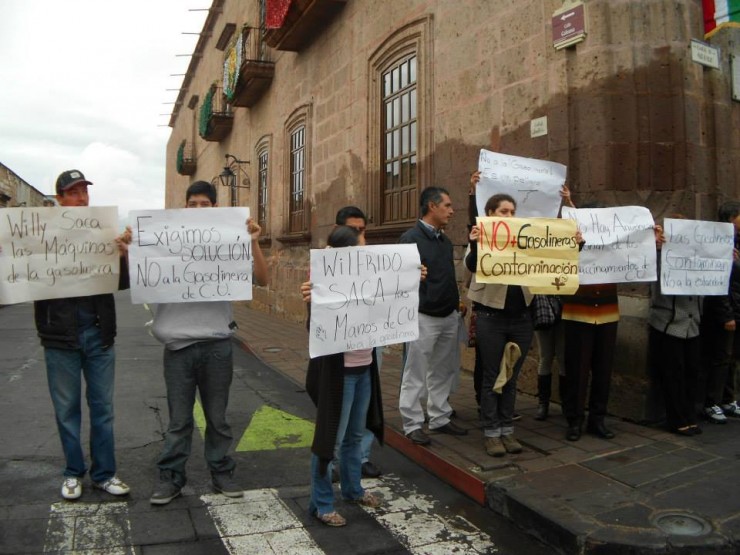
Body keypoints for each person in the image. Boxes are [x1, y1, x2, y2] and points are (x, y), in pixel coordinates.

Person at [149, 181, 269, 505]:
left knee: (218, 418)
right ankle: (171, 477)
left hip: (217, 345)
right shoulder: (162, 242)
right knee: (178, 420)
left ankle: (221, 472)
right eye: (193, 203)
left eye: (205, 203)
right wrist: (132, 249)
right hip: (177, 348)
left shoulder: (229, 241)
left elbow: (262, 278)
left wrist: (254, 242)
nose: (199, 209)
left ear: (215, 208)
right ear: (184, 207)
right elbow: (139, 275)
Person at [34, 169, 131, 500]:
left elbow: (122, 283)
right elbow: (25, 278)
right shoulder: (41, 236)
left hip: (99, 335)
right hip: (59, 340)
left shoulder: (103, 233)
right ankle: (73, 472)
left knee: (103, 409)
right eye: (73, 193)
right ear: (59, 198)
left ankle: (104, 473)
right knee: (67, 411)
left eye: (84, 192)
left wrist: (122, 257)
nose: (81, 198)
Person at [302, 225, 383, 527]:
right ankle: (321, 504)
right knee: (329, 441)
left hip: (364, 368)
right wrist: (313, 297)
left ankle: (352, 490)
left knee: (354, 436)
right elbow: (316, 330)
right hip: (339, 374)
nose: (366, 252)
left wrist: (414, 276)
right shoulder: (323, 282)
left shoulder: (371, 278)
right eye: (361, 247)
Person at [465, 194, 533, 457]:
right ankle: (491, 433)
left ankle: (507, 429)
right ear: (490, 213)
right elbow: (472, 265)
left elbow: (554, 256)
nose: (509, 216)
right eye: (504, 211)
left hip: (522, 318)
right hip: (491, 318)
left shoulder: (525, 238)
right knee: (492, 376)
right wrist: (476, 243)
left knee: (511, 376)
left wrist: (576, 244)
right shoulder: (481, 236)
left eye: (512, 212)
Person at [399, 187, 467, 445]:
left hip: (448, 315)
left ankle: (440, 417)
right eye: (447, 205)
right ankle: (413, 423)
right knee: (415, 371)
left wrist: (455, 304)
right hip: (422, 315)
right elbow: (401, 279)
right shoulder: (410, 239)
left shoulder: (445, 241)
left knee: (443, 370)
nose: (451, 210)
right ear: (431, 206)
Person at [561, 203, 619, 441]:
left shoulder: (615, 240)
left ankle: (598, 418)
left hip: (607, 311)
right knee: (577, 369)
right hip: (578, 311)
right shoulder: (569, 241)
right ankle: (574, 420)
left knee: (603, 369)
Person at [333, 206, 382, 478]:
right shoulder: (325, 266)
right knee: (338, 420)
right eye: (353, 231)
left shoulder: (374, 263)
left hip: (369, 351)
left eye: (362, 231)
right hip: (341, 360)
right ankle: (330, 466)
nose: (359, 236)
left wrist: (412, 278)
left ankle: (360, 461)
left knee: (361, 417)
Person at [649, 219, 702, 436]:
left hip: (693, 324)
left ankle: (690, 415)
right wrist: (658, 249)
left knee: (692, 373)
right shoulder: (659, 256)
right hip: (668, 323)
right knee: (673, 374)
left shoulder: (697, 257)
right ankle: (676, 419)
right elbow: (655, 277)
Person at [698, 201, 740, 423]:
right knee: (720, 357)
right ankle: (711, 402)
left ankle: (728, 398)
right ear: (731, 217)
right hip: (725, 311)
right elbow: (718, 282)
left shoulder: (736, 243)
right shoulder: (718, 242)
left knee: (732, 358)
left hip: (736, 306)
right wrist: (726, 315)